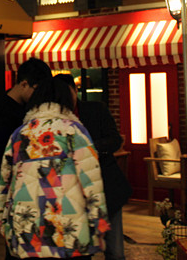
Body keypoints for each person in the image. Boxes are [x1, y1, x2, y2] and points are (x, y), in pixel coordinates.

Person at [0, 76, 110, 259]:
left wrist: (2, 220)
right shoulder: (74, 131)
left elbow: (5, 180)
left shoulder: (19, 134)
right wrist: (99, 222)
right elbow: (91, 181)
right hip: (68, 226)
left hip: (26, 226)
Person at [56, 74, 131, 260]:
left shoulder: (96, 109)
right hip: (75, 194)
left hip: (106, 187)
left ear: (75, 91)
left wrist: (87, 148)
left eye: (68, 92)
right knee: (82, 248)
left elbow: (115, 140)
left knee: (115, 250)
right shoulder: (56, 120)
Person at [0, 57, 53, 228]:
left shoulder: (18, 106)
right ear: (24, 84)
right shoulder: (5, 112)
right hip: (9, 181)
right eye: (36, 90)